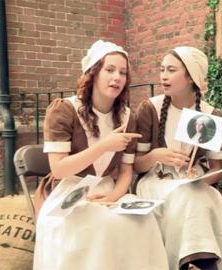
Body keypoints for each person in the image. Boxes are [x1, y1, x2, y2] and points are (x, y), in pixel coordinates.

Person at [34, 40, 168, 270]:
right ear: (93, 73)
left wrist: (111, 198)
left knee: (144, 220)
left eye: (123, 73)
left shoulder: (127, 116)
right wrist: (104, 145)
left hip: (107, 189)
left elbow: (126, 171)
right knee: (104, 225)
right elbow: (59, 169)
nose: (117, 77)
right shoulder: (64, 110)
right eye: (110, 70)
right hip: (68, 190)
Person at [134, 46, 222, 270]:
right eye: (162, 69)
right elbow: (136, 165)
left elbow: (216, 170)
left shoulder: (209, 114)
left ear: (190, 77)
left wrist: (196, 180)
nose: (163, 76)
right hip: (156, 182)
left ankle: (193, 261)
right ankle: (203, 264)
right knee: (188, 199)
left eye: (171, 70)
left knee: (198, 198)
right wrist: (156, 156)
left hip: (195, 184)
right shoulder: (151, 109)